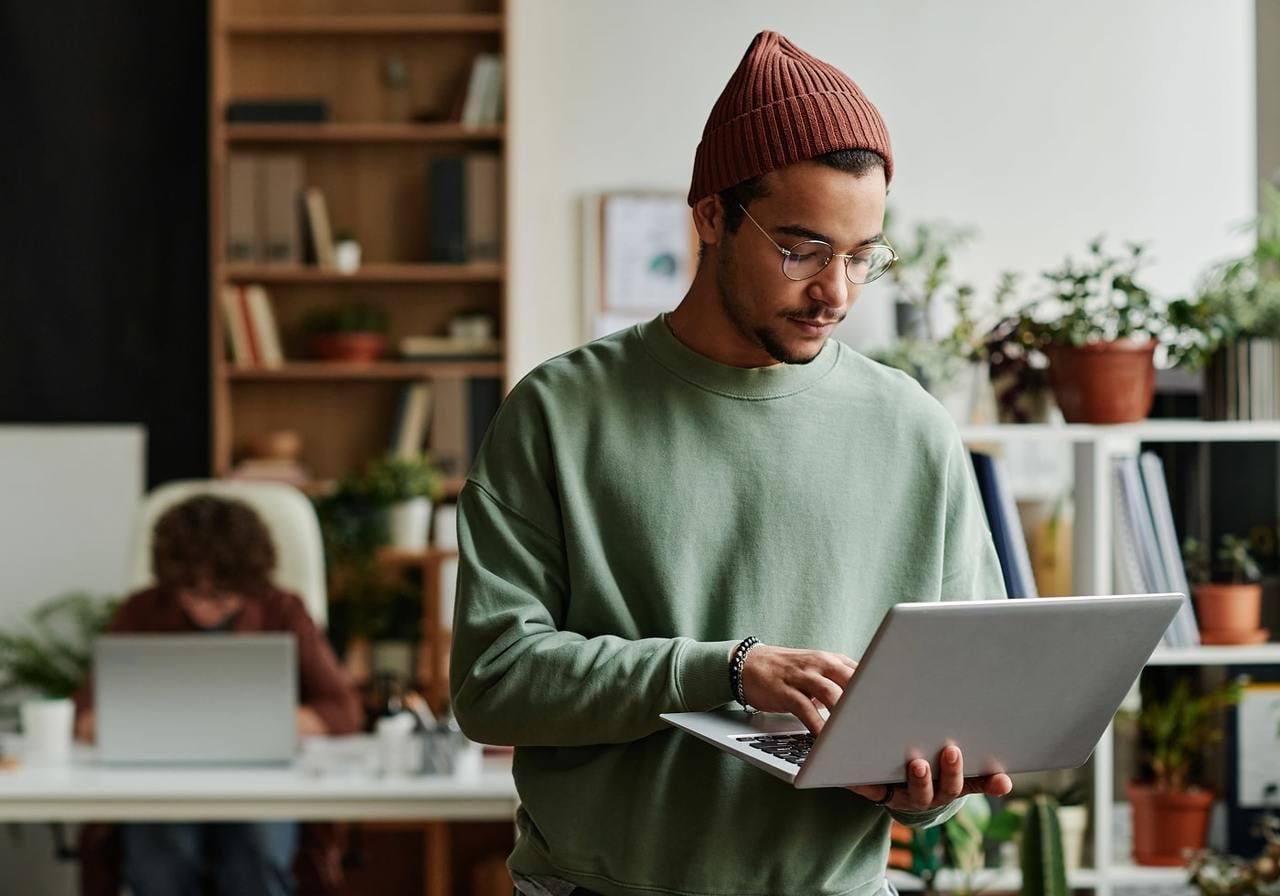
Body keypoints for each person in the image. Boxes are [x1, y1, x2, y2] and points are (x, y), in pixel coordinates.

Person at [449, 30, 1013, 896]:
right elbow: (494, 681)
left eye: (863, 256)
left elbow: (961, 702)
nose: (837, 293)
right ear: (711, 216)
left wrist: (930, 789)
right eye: (802, 250)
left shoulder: (914, 431)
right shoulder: (557, 414)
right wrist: (725, 668)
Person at [74, 494, 362, 896]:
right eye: (192, 593)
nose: (207, 608)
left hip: (261, 783)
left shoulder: (283, 610)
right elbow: (85, 715)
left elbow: (343, 711)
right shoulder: (142, 611)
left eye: (223, 595)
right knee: (160, 854)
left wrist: (261, 723)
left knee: (259, 850)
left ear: (250, 583)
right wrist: (122, 725)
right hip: (163, 783)